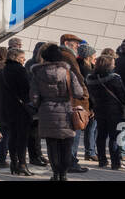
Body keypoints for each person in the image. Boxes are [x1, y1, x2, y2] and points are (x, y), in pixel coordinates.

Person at [31, 43, 86, 181]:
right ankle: (64, 174)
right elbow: (79, 92)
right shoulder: (68, 72)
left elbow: (34, 97)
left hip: (46, 111)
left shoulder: (38, 73)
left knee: (52, 144)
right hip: (66, 111)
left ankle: (56, 174)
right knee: (67, 144)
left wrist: (41, 104)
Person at [86, 53, 125, 170]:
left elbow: (90, 95)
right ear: (109, 65)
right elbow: (123, 94)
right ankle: (115, 162)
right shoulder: (114, 78)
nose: (114, 65)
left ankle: (102, 160)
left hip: (99, 110)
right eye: (113, 63)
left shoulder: (90, 78)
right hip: (114, 111)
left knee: (101, 135)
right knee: (114, 137)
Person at [0, 48, 34, 175]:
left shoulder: (4, 70)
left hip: (8, 107)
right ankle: (22, 164)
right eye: (22, 58)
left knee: (13, 135)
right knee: (22, 138)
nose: (24, 60)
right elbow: (26, 88)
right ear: (16, 57)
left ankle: (14, 163)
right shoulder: (20, 70)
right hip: (21, 108)